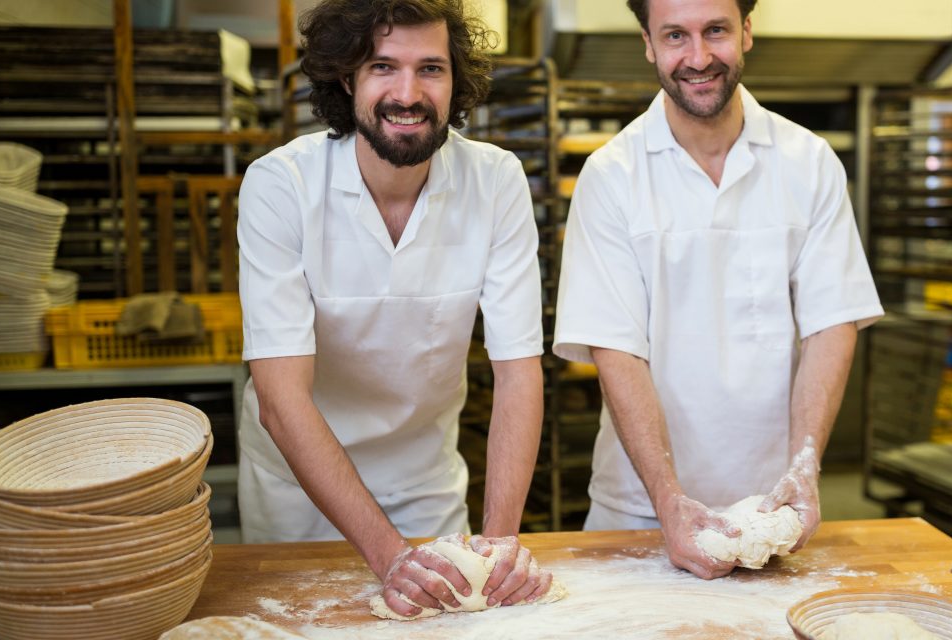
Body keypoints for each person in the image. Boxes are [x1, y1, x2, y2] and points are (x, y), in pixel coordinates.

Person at [236, 0, 550, 617]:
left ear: (456, 81)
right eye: (383, 66)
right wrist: (389, 557)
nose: (408, 93)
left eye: (430, 68)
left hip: (425, 484)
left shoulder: (495, 182)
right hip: (299, 493)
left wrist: (500, 544)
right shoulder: (282, 186)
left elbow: (518, 371)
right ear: (348, 78)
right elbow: (281, 398)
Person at [553, 0, 883, 580]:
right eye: (675, 35)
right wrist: (668, 498)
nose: (698, 57)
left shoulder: (808, 162)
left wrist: (804, 468)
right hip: (639, 510)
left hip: (772, 511)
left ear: (747, 32)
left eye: (716, 31)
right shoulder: (612, 176)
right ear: (648, 43)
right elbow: (615, 350)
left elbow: (833, 322)